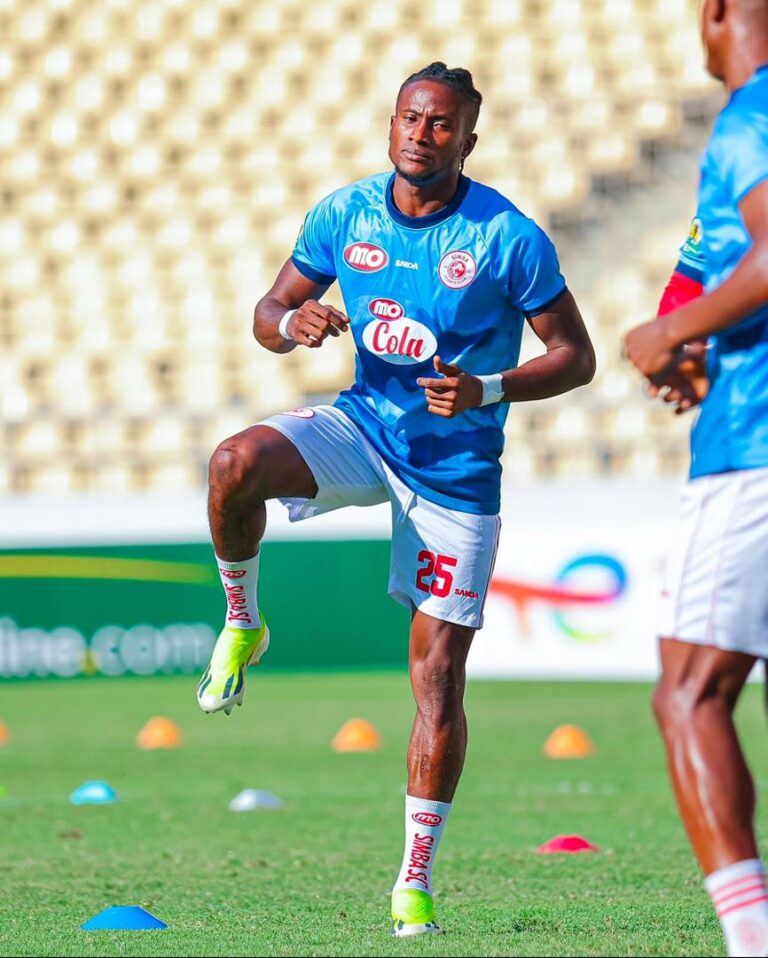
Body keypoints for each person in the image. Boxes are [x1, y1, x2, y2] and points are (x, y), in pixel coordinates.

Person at [197, 61, 595, 937]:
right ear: (391, 127)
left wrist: (490, 388)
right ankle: (243, 620)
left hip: (455, 472)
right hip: (364, 428)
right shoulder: (345, 214)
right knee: (233, 463)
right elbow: (269, 310)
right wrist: (291, 323)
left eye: (441, 123)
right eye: (411, 118)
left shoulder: (508, 237)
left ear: (468, 141)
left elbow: (576, 357)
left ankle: (413, 878)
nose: (422, 133)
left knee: (437, 677)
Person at [625, 2, 768, 954]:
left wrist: (670, 332)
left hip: (755, 444)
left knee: (687, 693)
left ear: (716, 11)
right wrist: (698, 336)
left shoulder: (753, 113)